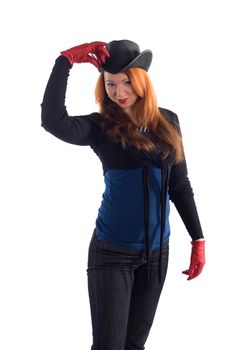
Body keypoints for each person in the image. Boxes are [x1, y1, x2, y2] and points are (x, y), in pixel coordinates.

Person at [41, 40, 205, 350]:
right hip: (112, 254)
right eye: (111, 83)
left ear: (142, 79)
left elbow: (179, 185)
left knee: (134, 346)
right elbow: (52, 121)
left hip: (158, 254)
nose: (119, 91)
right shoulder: (99, 126)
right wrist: (64, 62)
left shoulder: (169, 121)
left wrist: (198, 239)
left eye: (127, 81)